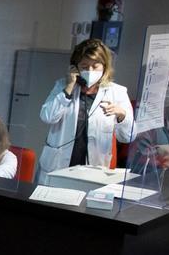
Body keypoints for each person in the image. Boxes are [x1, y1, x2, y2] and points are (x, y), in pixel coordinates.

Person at [38, 38, 134, 181]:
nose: (89, 71)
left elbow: (127, 137)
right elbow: (47, 116)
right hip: (58, 165)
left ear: (105, 67)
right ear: (75, 67)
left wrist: (121, 115)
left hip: (94, 166)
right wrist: (68, 88)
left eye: (95, 66)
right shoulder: (62, 86)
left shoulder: (117, 92)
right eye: (84, 66)